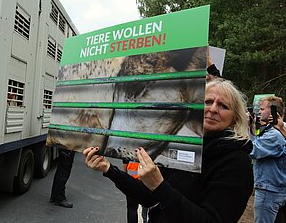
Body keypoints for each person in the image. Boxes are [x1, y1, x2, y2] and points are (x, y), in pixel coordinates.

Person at [83, 78, 253, 222]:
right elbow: (148, 197)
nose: (213, 109)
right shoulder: (185, 144)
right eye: (207, 101)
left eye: (223, 106)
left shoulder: (236, 161)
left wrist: (159, 185)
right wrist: (108, 169)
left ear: (234, 118)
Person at [250, 96, 286, 223]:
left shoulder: (275, 134)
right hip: (275, 187)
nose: (259, 112)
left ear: (273, 113)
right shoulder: (284, 127)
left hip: (269, 189)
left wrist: (245, 127)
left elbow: (252, 150)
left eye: (262, 109)